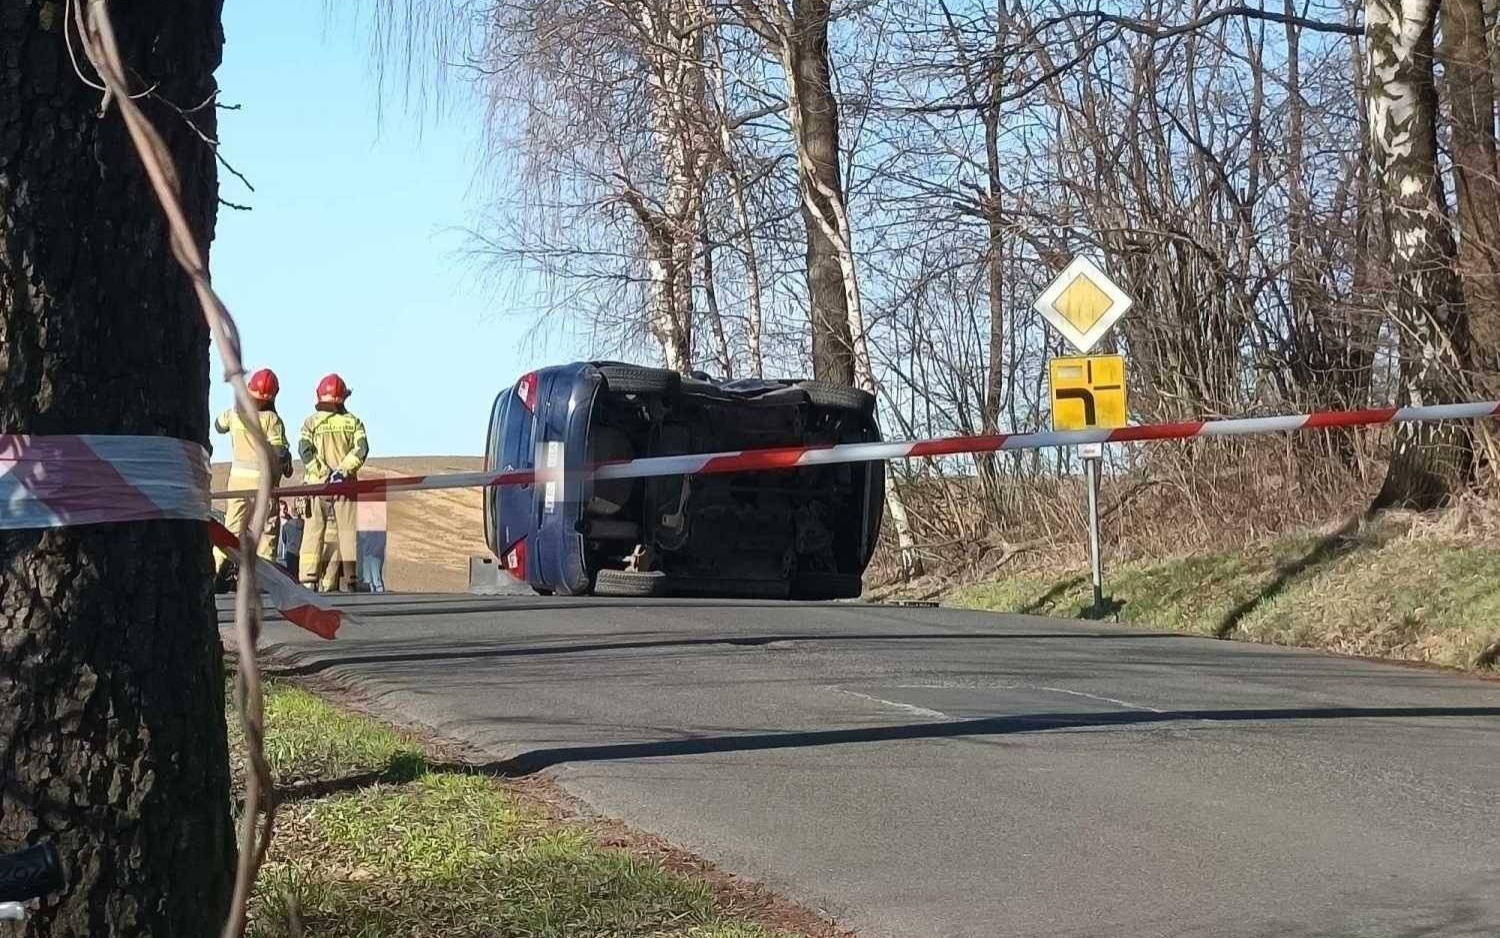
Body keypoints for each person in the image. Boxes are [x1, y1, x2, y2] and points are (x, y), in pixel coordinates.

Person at [212, 368, 292, 589]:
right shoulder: (272, 420)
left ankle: (218, 569)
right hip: (264, 487)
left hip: (237, 485)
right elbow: (279, 452)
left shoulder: (236, 413)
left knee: (231, 529)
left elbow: (219, 426)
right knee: (266, 531)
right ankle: (262, 580)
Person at [298, 373, 368, 592]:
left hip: (316, 486)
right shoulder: (353, 422)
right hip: (345, 487)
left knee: (312, 532)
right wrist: (341, 472)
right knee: (347, 534)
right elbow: (361, 449)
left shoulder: (311, 422)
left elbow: (304, 449)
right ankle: (351, 580)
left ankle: (308, 580)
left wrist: (321, 473)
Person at [356, 492, 388, 593]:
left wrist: (375, 551)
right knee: (367, 576)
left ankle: (378, 588)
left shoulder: (379, 522)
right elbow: (363, 539)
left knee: (376, 575)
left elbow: (381, 540)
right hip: (367, 554)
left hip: (375, 555)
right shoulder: (368, 524)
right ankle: (370, 588)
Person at [276, 500, 304, 579]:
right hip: (299, 553)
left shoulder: (286, 526)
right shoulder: (303, 524)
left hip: (289, 553)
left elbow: (284, 539)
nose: (284, 511)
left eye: (285, 509)